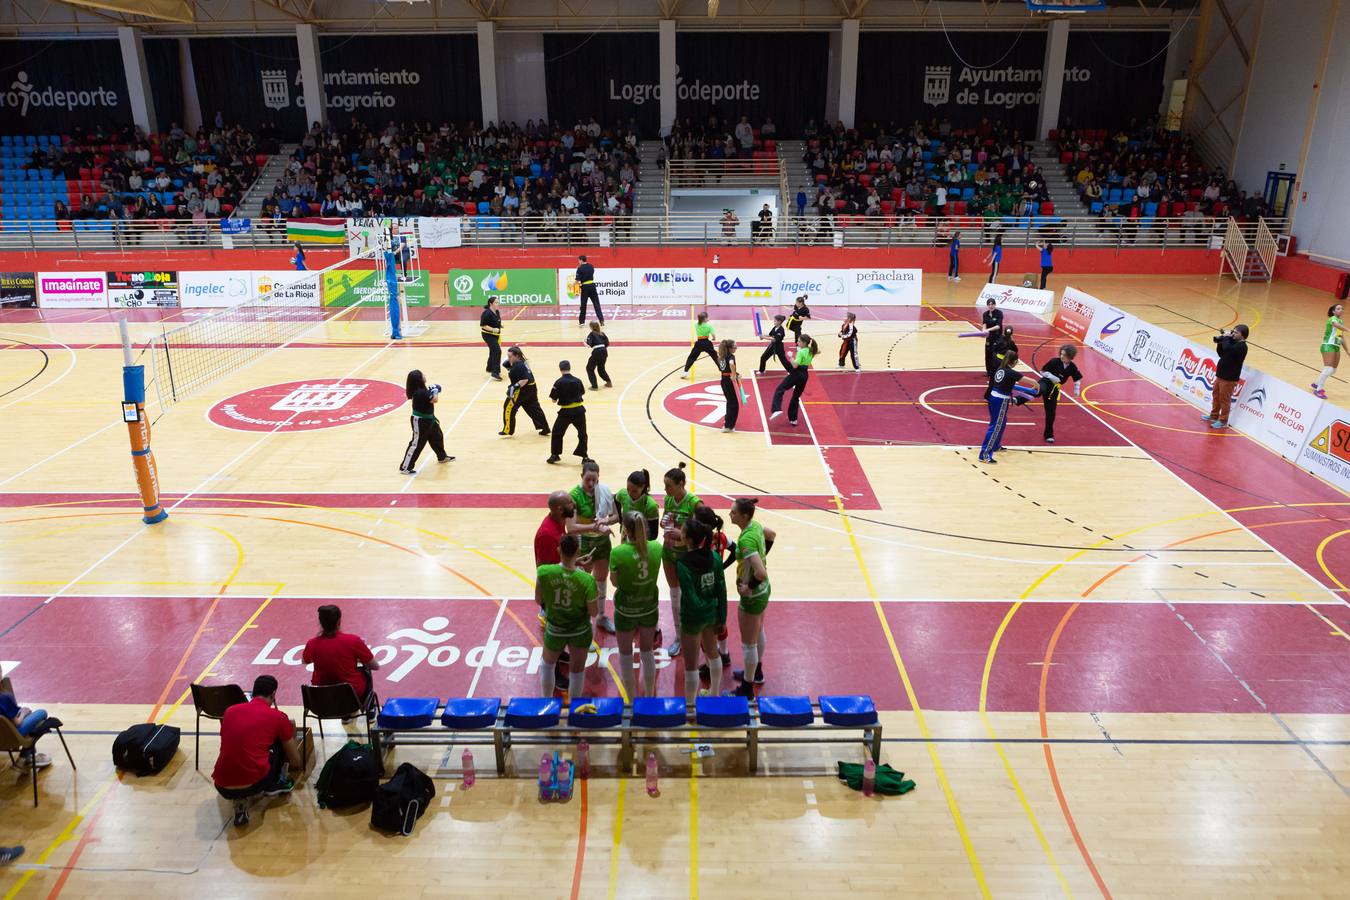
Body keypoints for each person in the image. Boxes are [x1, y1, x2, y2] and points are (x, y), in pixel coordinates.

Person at [213, 675, 304, 827]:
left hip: (221, 785)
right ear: (274, 694)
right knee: (279, 745)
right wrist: (292, 732)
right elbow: (295, 761)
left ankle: (240, 803)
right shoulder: (278, 717)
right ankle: (274, 783)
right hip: (256, 783)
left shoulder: (229, 711)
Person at [610, 509, 664, 701]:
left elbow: (615, 582)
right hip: (648, 606)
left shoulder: (618, 553)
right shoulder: (657, 547)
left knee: (625, 654)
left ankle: (631, 699)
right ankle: (649, 696)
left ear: (625, 528)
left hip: (626, 609)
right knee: (647, 651)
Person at [536, 534, 598, 700]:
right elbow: (593, 612)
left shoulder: (544, 572)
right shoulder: (586, 580)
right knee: (577, 670)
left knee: (547, 665)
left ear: (558, 550)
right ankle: (574, 710)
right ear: (578, 552)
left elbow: (538, 600)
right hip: (579, 631)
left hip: (555, 629)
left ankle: (546, 704)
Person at [676, 516, 727, 706]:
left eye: (682, 531)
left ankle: (690, 706)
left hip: (692, 619)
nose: (679, 532)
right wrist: (721, 617)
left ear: (688, 539)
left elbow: (690, 597)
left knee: (691, 666)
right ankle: (714, 695)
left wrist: (703, 609)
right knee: (713, 654)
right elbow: (721, 590)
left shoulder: (683, 564)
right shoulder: (714, 557)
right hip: (711, 615)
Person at [729, 498, 775, 695]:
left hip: (754, 596)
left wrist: (748, 587)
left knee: (748, 643)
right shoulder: (755, 526)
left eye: (733, 512)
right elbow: (771, 535)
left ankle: (746, 690)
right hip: (764, 590)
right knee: (758, 631)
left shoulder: (746, 539)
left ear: (744, 516)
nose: (730, 514)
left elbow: (760, 572)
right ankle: (756, 672)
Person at [571, 459, 619, 633]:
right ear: (581, 476)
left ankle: (601, 616)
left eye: (595, 480)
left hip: (602, 542)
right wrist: (595, 526)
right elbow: (571, 527)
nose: (591, 483)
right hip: (584, 543)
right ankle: (583, 621)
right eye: (588, 480)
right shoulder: (574, 495)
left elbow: (615, 516)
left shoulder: (604, 491)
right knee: (584, 583)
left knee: (601, 580)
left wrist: (605, 520)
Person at [660, 462, 703, 657]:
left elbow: (702, 531)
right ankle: (678, 637)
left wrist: (681, 533)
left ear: (681, 484)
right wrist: (665, 524)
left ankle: (692, 633)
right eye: (665, 485)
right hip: (669, 551)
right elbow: (666, 521)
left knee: (688, 596)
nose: (666, 489)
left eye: (669, 485)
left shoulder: (694, 502)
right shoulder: (669, 500)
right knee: (674, 594)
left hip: (687, 556)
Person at [301, 604, 379, 705]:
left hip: (322, 701)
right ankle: (370, 710)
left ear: (320, 622)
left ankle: (346, 717)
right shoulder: (353, 640)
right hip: (352, 699)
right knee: (366, 670)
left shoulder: (312, 643)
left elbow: (304, 661)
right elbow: (375, 666)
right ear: (339, 621)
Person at [980, 348, 1027, 464]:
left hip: (993, 398)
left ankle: (995, 445)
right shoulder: (1011, 372)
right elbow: (1028, 380)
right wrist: (1036, 385)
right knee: (995, 427)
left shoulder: (1000, 369)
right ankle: (984, 454)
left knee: (1001, 422)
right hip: (1000, 401)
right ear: (1014, 361)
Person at [400, 370, 453, 474]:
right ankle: (405, 467)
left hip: (429, 419)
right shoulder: (420, 392)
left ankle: (442, 457)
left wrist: (432, 390)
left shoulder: (421, 390)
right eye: (422, 375)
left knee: (437, 436)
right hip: (420, 421)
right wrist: (435, 391)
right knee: (417, 444)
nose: (425, 375)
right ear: (419, 379)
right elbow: (434, 400)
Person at [1034, 344, 1084, 444]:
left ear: (1070, 357)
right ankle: (1018, 399)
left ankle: (1048, 435)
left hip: (1055, 389)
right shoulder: (1054, 361)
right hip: (1046, 382)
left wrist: (1077, 389)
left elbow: (1077, 378)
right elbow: (1042, 371)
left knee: (1051, 413)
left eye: (1064, 355)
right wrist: (1052, 377)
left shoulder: (1072, 367)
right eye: (1061, 354)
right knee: (1038, 392)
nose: (1061, 356)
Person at [1203, 324, 1249, 430]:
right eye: (1233, 331)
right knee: (1216, 396)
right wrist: (1220, 342)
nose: (1233, 334)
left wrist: (1227, 337)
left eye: (1236, 332)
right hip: (1221, 375)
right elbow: (1222, 353)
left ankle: (1223, 420)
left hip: (1229, 378)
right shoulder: (1232, 342)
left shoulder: (1242, 347)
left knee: (1224, 399)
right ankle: (1214, 416)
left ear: (1243, 336)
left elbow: (1228, 349)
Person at [769, 334, 819, 427]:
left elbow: (795, 365)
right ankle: (793, 419)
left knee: (780, 389)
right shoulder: (811, 350)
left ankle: (776, 409)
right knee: (796, 397)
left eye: (799, 341)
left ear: (804, 343)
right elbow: (818, 351)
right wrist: (805, 349)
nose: (797, 342)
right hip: (805, 375)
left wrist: (791, 357)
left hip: (796, 373)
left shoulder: (801, 352)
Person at [500, 346, 551, 437]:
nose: (508, 359)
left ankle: (508, 430)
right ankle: (545, 427)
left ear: (517, 356)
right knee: (534, 409)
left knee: (509, 407)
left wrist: (513, 388)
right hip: (532, 388)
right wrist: (510, 368)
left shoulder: (519, 366)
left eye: (510, 356)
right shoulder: (523, 361)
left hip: (523, 390)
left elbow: (524, 379)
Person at [547, 360, 588, 464]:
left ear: (560, 369)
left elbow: (553, 400)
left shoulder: (558, 382)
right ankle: (584, 457)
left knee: (557, 433)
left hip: (565, 413)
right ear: (570, 368)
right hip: (579, 411)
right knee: (582, 434)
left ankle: (555, 455)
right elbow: (582, 392)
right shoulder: (578, 380)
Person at [0, 686, 50, 770]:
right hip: (12, 736)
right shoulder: (4, 698)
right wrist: (23, 713)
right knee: (41, 714)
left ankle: (27, 756)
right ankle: (24, 758)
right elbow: (17, 723)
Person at [1313, 303, 1344, 399]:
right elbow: (1336, 325)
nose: (1341, 310)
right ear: (1333, 311)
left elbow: (1340, 336)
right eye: (1338, 308)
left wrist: (1347, 350)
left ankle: (1316, 383)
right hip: (1328, 345)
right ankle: (1318, 390)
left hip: (1336, 346)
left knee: (1333, 370)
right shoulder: (1332, 319)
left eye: (1342, 308)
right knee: (1329, 368)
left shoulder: (1340, 321)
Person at [717, 338, 744, 433]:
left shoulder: (722, 356)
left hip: (723, 380)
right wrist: (733, 374)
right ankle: (728, 426)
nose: (736, 348)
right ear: (730, 348)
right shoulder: (731, 357)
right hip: (729, 382)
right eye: (735, 347)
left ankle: (727, 421)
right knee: (734, 404)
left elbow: (724, 370)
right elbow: (731, 364)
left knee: (730, 402)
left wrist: (735, 373)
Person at [682, 312, 718, 378]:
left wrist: (705, 320)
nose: (709, 318)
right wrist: (713, 338)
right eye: (708, 317)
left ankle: (685, 372)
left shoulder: (697, 325)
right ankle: (723, 370)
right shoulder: (709, 326)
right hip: (707, 343)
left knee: (692, 357)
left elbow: (700, 322)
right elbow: (713, 335)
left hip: (699, 343)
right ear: (705, 319)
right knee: (715, 357)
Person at [981, 297, 1005, 381]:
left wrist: (988, 330)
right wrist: (983, 330)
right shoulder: (985, 314)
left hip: (997, 338)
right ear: (987, 305)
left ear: (995, 305)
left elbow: (998, 326)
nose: (991, 306)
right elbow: (984, 324)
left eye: (992, 304)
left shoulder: (999, 313)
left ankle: (996, 371)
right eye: (989, 304)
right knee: (988, 354)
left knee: (995, 354)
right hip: (989, 337)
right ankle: (989, 371)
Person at [575, 255, 603, 325]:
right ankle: (601, 320)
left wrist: (574, 285)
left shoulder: (579, 268)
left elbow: (577, 280)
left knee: (583, 305)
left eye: (578, 260)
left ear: (581, 260)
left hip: (585, 287)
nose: (578, 262)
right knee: (596, 304)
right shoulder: (591, 266)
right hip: (592, 286)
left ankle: (582, 322)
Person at [480, 297, 503, 381]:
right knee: (497, 350)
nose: (498, 304)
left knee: (493, 350)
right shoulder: (486, 313)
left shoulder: (496, 311)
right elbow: (483, 325)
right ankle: (495, 373)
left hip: (495, 335)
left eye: (498, 302)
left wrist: (499, 325)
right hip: (488, 335)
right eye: (496, 302)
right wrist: (493, 329)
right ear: (491, 304)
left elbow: (496, 320)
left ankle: (489, 368)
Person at [585, 321, 612, 389]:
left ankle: (594, 386)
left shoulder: (591, 334)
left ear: (591, 327)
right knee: (601, 368)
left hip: (597, 352)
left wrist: (585, 342)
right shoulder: (602, 333)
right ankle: (609, 382)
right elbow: (607, 343)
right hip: (604, 351)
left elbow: (590, 344)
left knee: (589, 368)